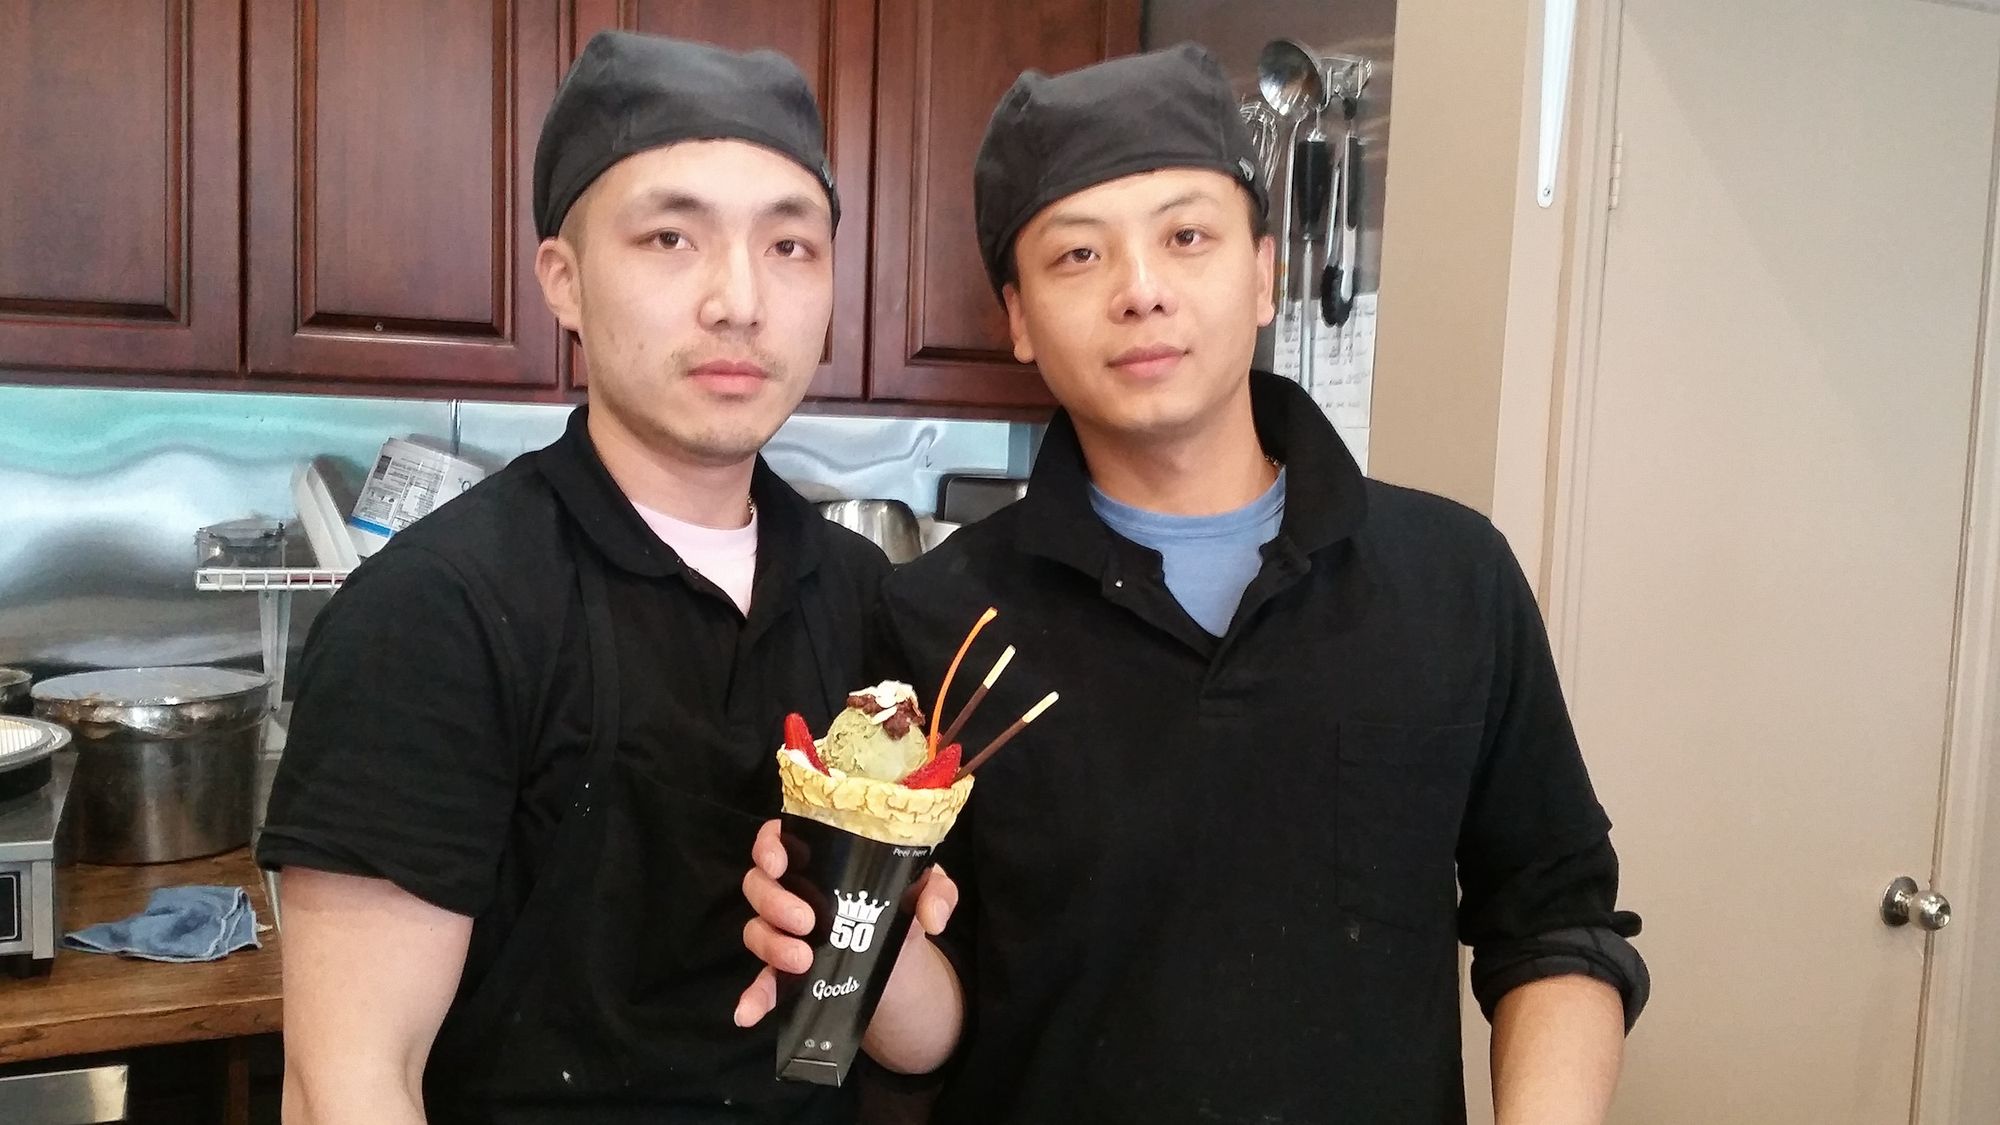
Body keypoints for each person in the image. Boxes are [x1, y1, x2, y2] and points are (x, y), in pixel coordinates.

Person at [737, 43, 1648, 1124]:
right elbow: (935, 1036)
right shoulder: (939, 619)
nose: (1140, 291)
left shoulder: (1451, 580)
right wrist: (849, 932)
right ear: (1017, 317)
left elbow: (1553, 917)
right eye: (1077, 256)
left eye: (1185, 236)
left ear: (1261, 272)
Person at [258, 31, 888, 1124]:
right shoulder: (436, 614)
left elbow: (890, 1021)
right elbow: (348, 1084)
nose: (738, 299)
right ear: (565, 280)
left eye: (790, 247)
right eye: (669, 237)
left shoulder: (860, 594)